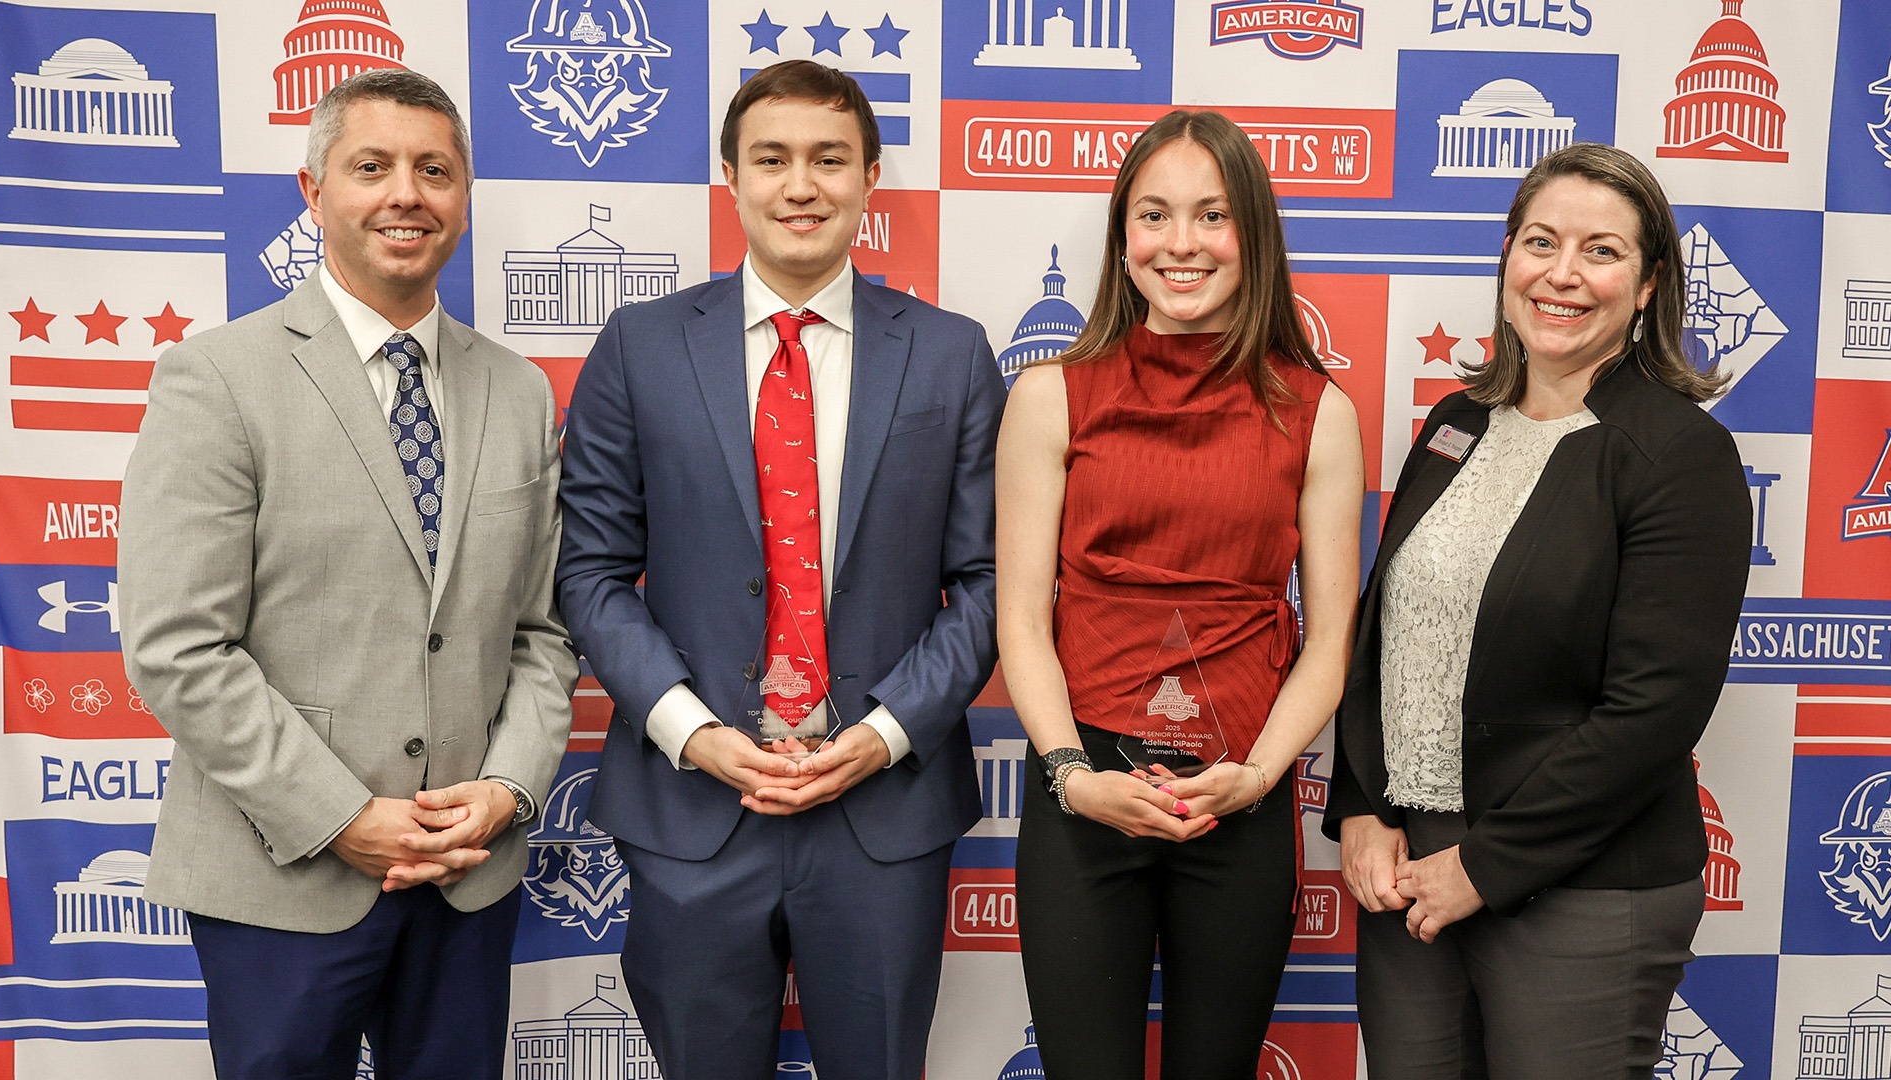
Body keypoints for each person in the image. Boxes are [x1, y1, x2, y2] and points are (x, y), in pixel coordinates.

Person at [118, 69, 578, 1079]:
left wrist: (506, 788)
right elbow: (176, 644)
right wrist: (341, 817)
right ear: (313, 189)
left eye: (435, 170)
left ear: (464, 197)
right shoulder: (217, 378)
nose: (406, 193)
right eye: (371, 167)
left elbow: (544, 633)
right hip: (281, 875)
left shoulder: (520, 391)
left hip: (467, 879)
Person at [555, 59, 1005, 1080]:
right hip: (692, 811)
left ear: (870, 177)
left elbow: (986, 588)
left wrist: (882, 734)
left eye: (828, 159)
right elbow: (587, 573)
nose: (800, 185)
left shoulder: (949, 355)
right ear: (731, 176)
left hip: (882, 816)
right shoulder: (639, 346)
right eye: (772, 159)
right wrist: (695, 732)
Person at [1324, 143, 1751, 1079]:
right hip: (1410, 872)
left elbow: (1654, 711)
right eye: (1540, 241)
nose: (1562, 274)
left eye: (1601, 251)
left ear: (1647, 288)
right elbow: (1387, 634)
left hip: (1581, 878)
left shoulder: (1682, 455)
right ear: (1508, 257)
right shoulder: (1456, 422)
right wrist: (1361, 805)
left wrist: (1485, 865)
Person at [997, 109, 1365, 1078]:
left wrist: (1260, 775)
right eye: (1155, 216)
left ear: (1253, 233)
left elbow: (1331, 642)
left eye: (1210, 216)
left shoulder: (1319, 412)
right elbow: (1023, 622)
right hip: (1085, 800)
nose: (1182, 243)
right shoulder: (1049, 395)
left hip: (1238, 803)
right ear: (1124, 238)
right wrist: (1073, 775)